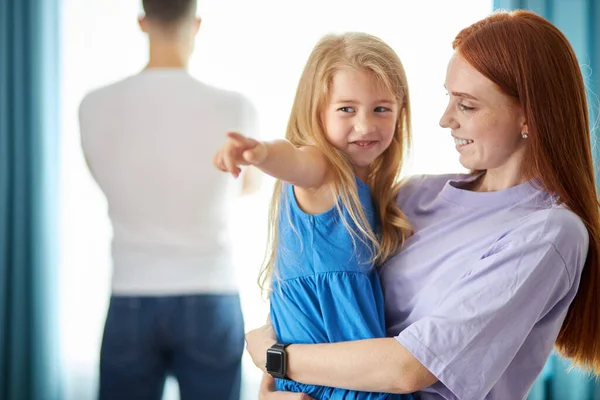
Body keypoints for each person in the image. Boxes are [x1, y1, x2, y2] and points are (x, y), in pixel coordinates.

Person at [246, 9, 600, 400]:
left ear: (528, 115)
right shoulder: (413, 196)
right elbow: (327, 286)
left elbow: (409, 368)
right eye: (448, 98)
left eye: (466, 105)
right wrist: (276, 378)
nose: (445, 119)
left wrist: (276, 356)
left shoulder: (549, 233)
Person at [214, 32, 414, 399]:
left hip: (353, 379)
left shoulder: (370, 188)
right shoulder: (323, 170)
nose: (365, 125)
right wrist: (259, 153)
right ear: (316, 112)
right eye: (346, 109)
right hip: (331, 386)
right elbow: (294, 159)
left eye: (381, 108)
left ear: (400, 110)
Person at [78, 0, 259, 399]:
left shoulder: (93, 105)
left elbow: (101, 175)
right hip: (210, 292)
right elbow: (247, 187)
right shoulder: (235, 107)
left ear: (142, 22)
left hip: (129, 295)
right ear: (195, 24)